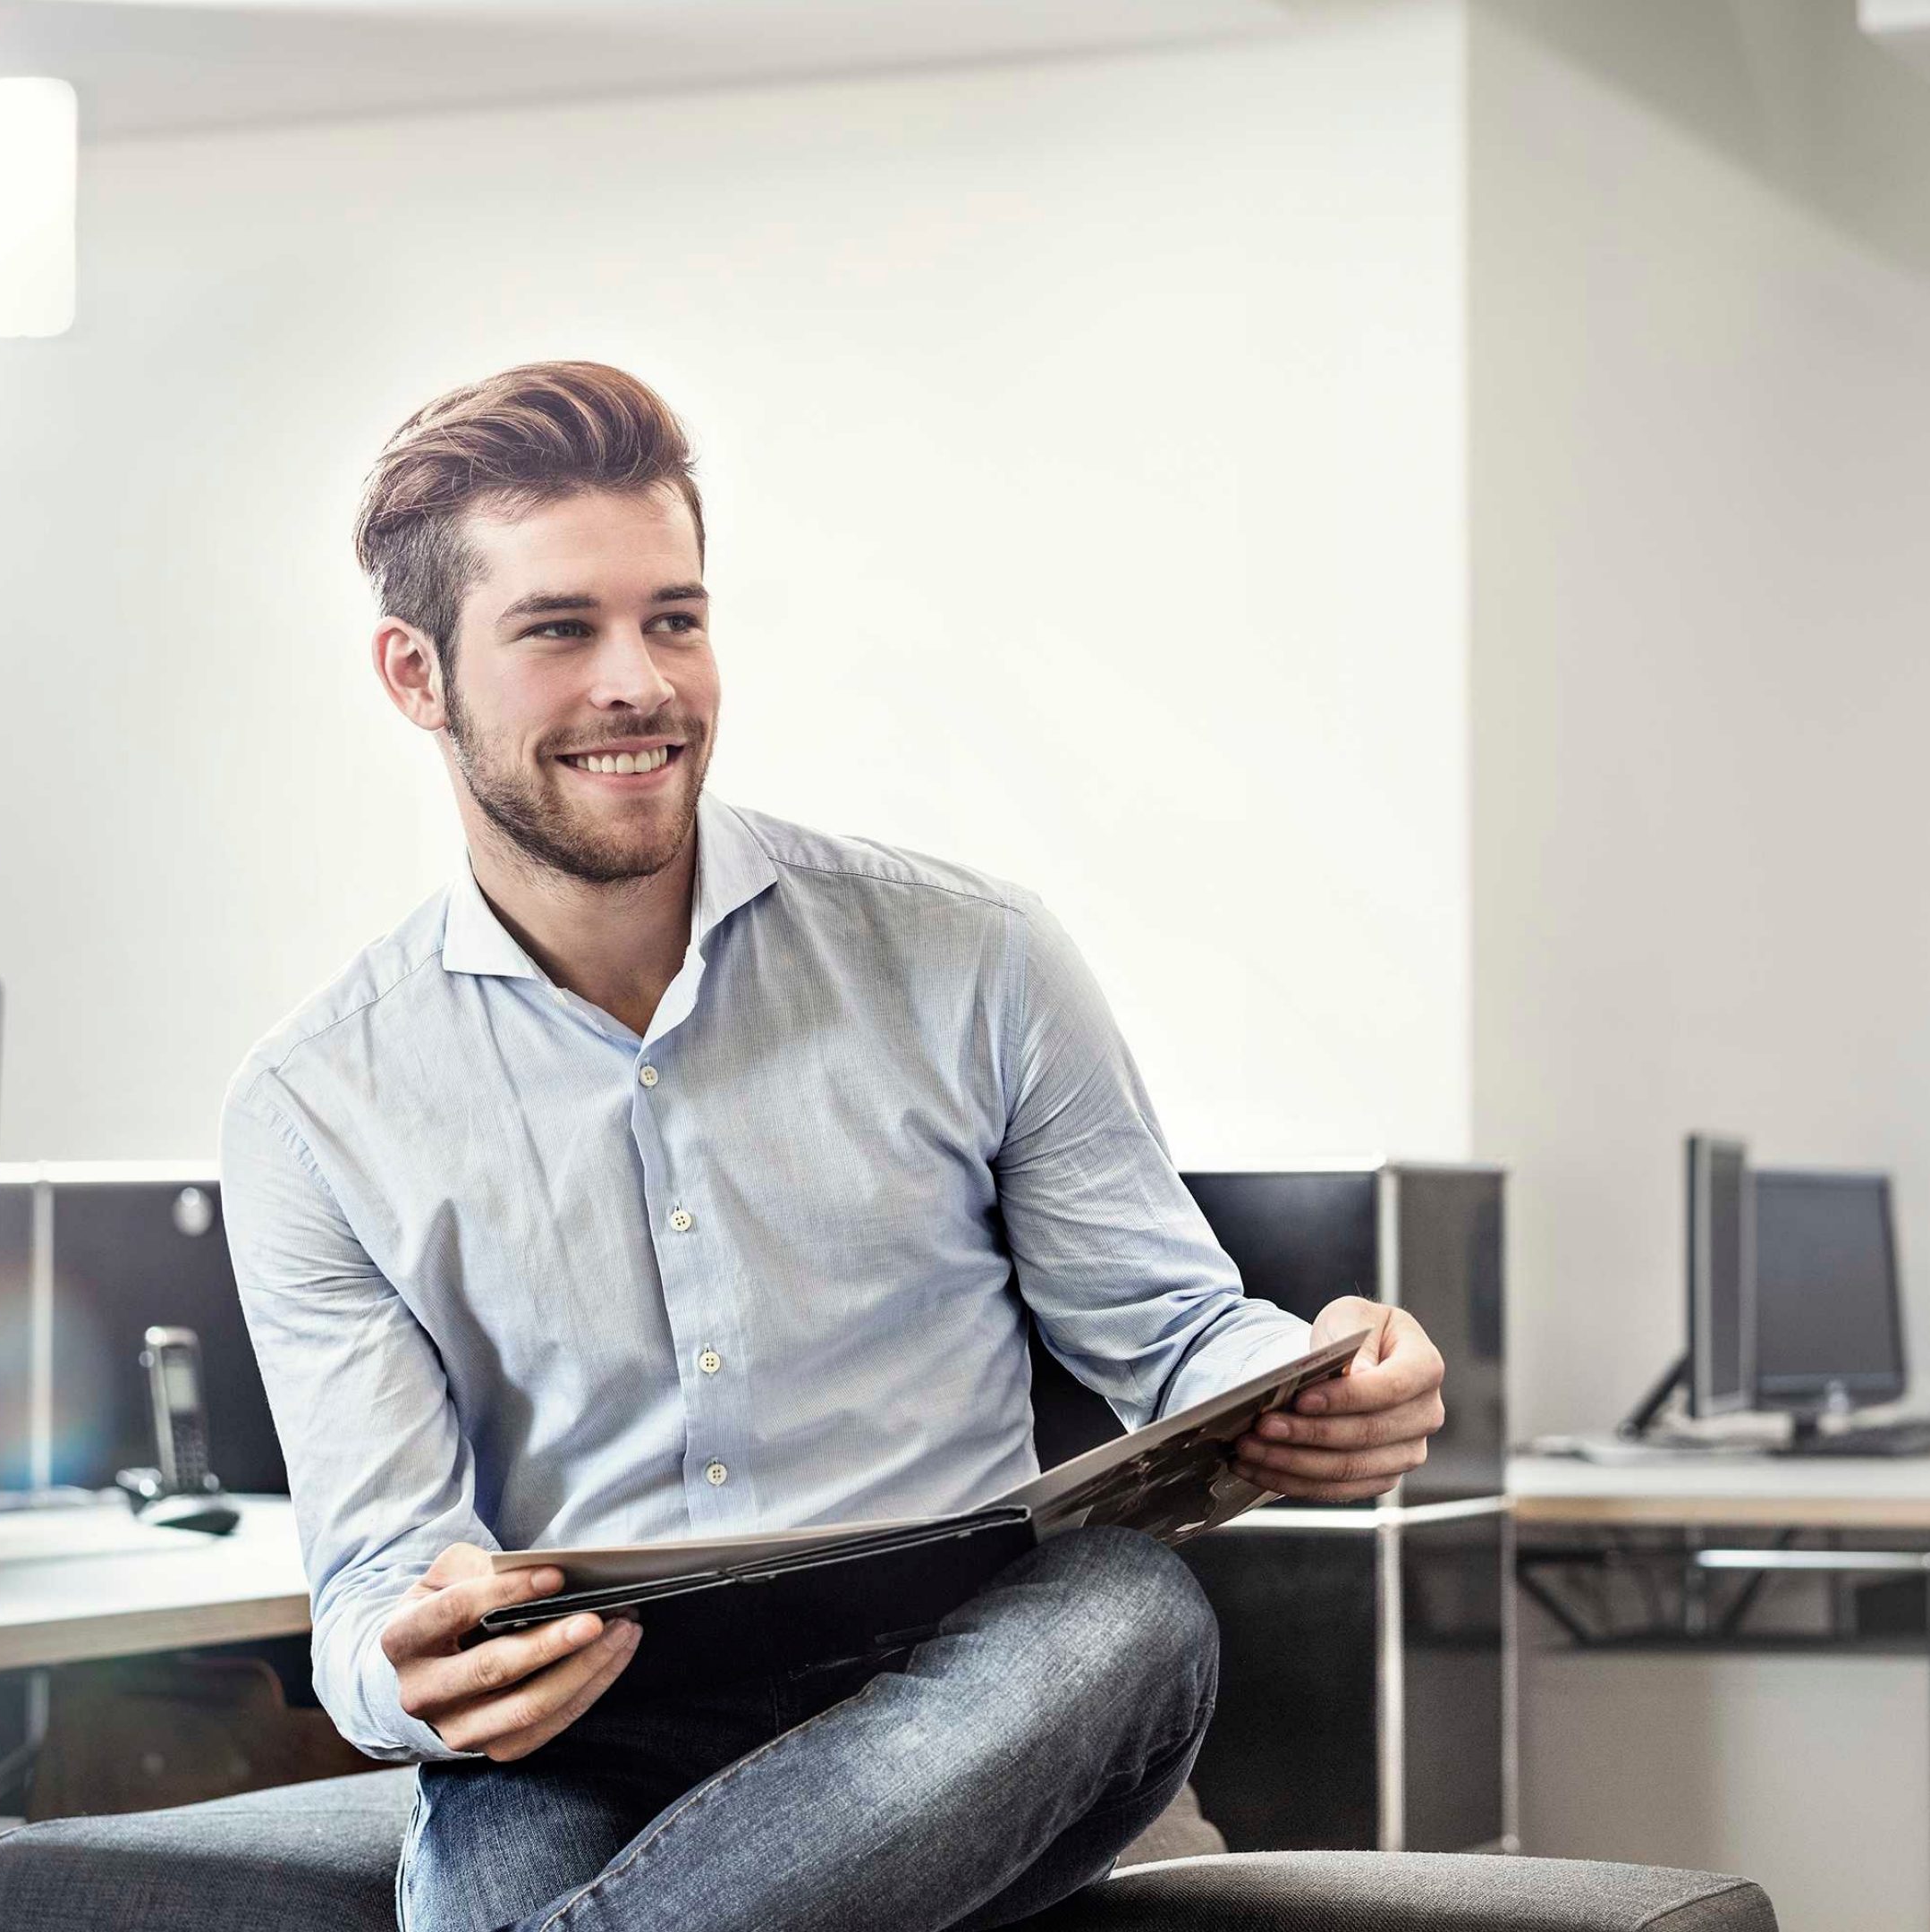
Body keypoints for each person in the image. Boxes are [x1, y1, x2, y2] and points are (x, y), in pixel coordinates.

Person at [220, 360, 1447, 1932]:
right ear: (415, 673)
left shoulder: (973, 955)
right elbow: (382, 1571)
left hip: (978, 1697)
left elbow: (1176, 1335)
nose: (639, 683)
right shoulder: (316, 1104)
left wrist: (1318, 1383)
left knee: (1130, 1615)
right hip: (589, 1740)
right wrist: (415, 1669)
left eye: (674, 617)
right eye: (558, 629)